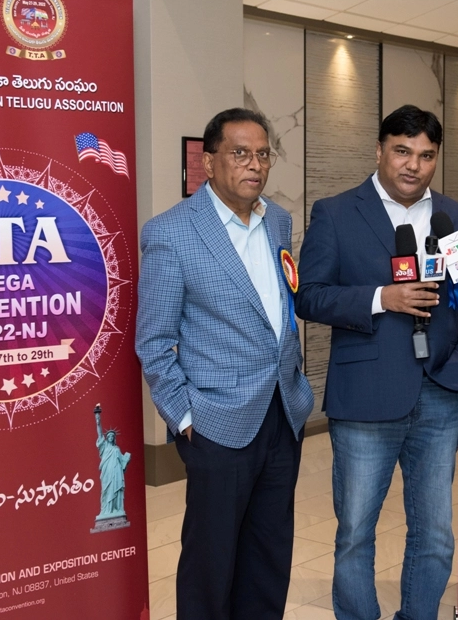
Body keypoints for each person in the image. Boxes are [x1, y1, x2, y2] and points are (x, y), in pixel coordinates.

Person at [296, 105, 458, 620]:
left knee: (435, 534)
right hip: (365, 396)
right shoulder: (336, 213)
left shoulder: (453, 217)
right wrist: (383, 298)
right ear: (379, 150)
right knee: (356, 532)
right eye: (402, 151)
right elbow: (309, 296)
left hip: (440, 394)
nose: (413, 166)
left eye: (426, 155)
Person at [135, 107, 313, 620]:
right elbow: (154, 340)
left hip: (281, 413)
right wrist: (185, 418)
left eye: (262, 154)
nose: (254, 164)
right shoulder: (172, 232)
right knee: (210, 566)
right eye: (239, 153)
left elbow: (278, 309)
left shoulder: (277, 220)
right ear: (208, 162)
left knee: (268, 556)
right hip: (215, 424)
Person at [94, 404, 131, 522]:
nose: (110, 437)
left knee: (116, 489)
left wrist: (127, 457)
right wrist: (98, 418)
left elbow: (123, 461)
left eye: (112, 436)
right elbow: (100, 433)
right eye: (108, 436)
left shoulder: (116, 449)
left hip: (116, 472)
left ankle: (116, 509)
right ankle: (106, 510)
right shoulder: (104, 446)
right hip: (107, 471)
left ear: (114, 438)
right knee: (106, 490)